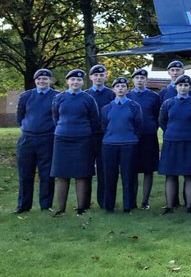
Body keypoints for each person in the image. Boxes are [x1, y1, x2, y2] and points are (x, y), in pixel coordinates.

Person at [50, 69, 101, 216]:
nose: (75, 82)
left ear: (82, 82)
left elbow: (94, 120)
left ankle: (81, 208)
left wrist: (82, 131)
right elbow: (55, 117)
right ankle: (60, 209)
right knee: (61, 175)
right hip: (62, 139)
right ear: (67, 81)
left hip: (82, 139)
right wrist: (63, 129)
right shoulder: (59, 98)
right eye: (72, 80)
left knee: (82, 174)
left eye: (78, 80)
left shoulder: (88, 99)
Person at [158, 75, 191, 214]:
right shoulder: (168, 103)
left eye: (186, 85)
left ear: (190, 88)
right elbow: (162, 120)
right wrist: (171, 132)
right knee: (170, 174)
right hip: (171, 142)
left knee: (189, 174)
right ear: (176, 87)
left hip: (190, 142)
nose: (183, 88)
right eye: (180, 85)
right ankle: (169, 206)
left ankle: (189, 206)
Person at [14, 68, 57, 213]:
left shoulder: (57, 96)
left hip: (48, 139)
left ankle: (46, 205)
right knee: (25, 174)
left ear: (50, 80)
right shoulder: (26, 96)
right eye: (39, 79)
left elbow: (58, 116)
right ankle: (23, 205)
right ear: (35, 80)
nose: (42, 81)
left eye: (45, 78)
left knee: (47, 174)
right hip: (27, 140)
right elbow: (20, 116)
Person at [100, 77, 142, 213]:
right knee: (109, 176)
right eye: (117, 86)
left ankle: (128, 206)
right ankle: (109, 206)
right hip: (110, 144)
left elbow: (138, 125)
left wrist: (132, 137)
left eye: (123, 86)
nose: (120, 88)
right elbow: (103, 125)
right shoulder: (107, 107)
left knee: (128, 176)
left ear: (127, 89)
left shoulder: (134, 106)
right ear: (113, 89)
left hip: (129, 144)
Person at [128, 68, 162, 209]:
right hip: (131, 138)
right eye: (137, 78)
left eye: (143, 78)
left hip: (149, 136)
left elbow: (158, 117)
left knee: (148, 169)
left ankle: (145, 201)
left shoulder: (154, 97)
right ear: (133, 80)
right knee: (133, 169)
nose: (140, 80)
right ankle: (133, 201)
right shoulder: (128, 95)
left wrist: (151, 128)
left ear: (146, 80)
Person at [86, 64, 115, 209]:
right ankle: (84, 202)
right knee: (85, 169)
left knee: (104, 170)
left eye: (101, 75)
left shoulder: (111, 94)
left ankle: (104, 201)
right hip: (88, 136)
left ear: (105, 77)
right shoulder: (85, 94)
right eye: (95, 75)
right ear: (91, 77)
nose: (98, 77)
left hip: (106, 137)